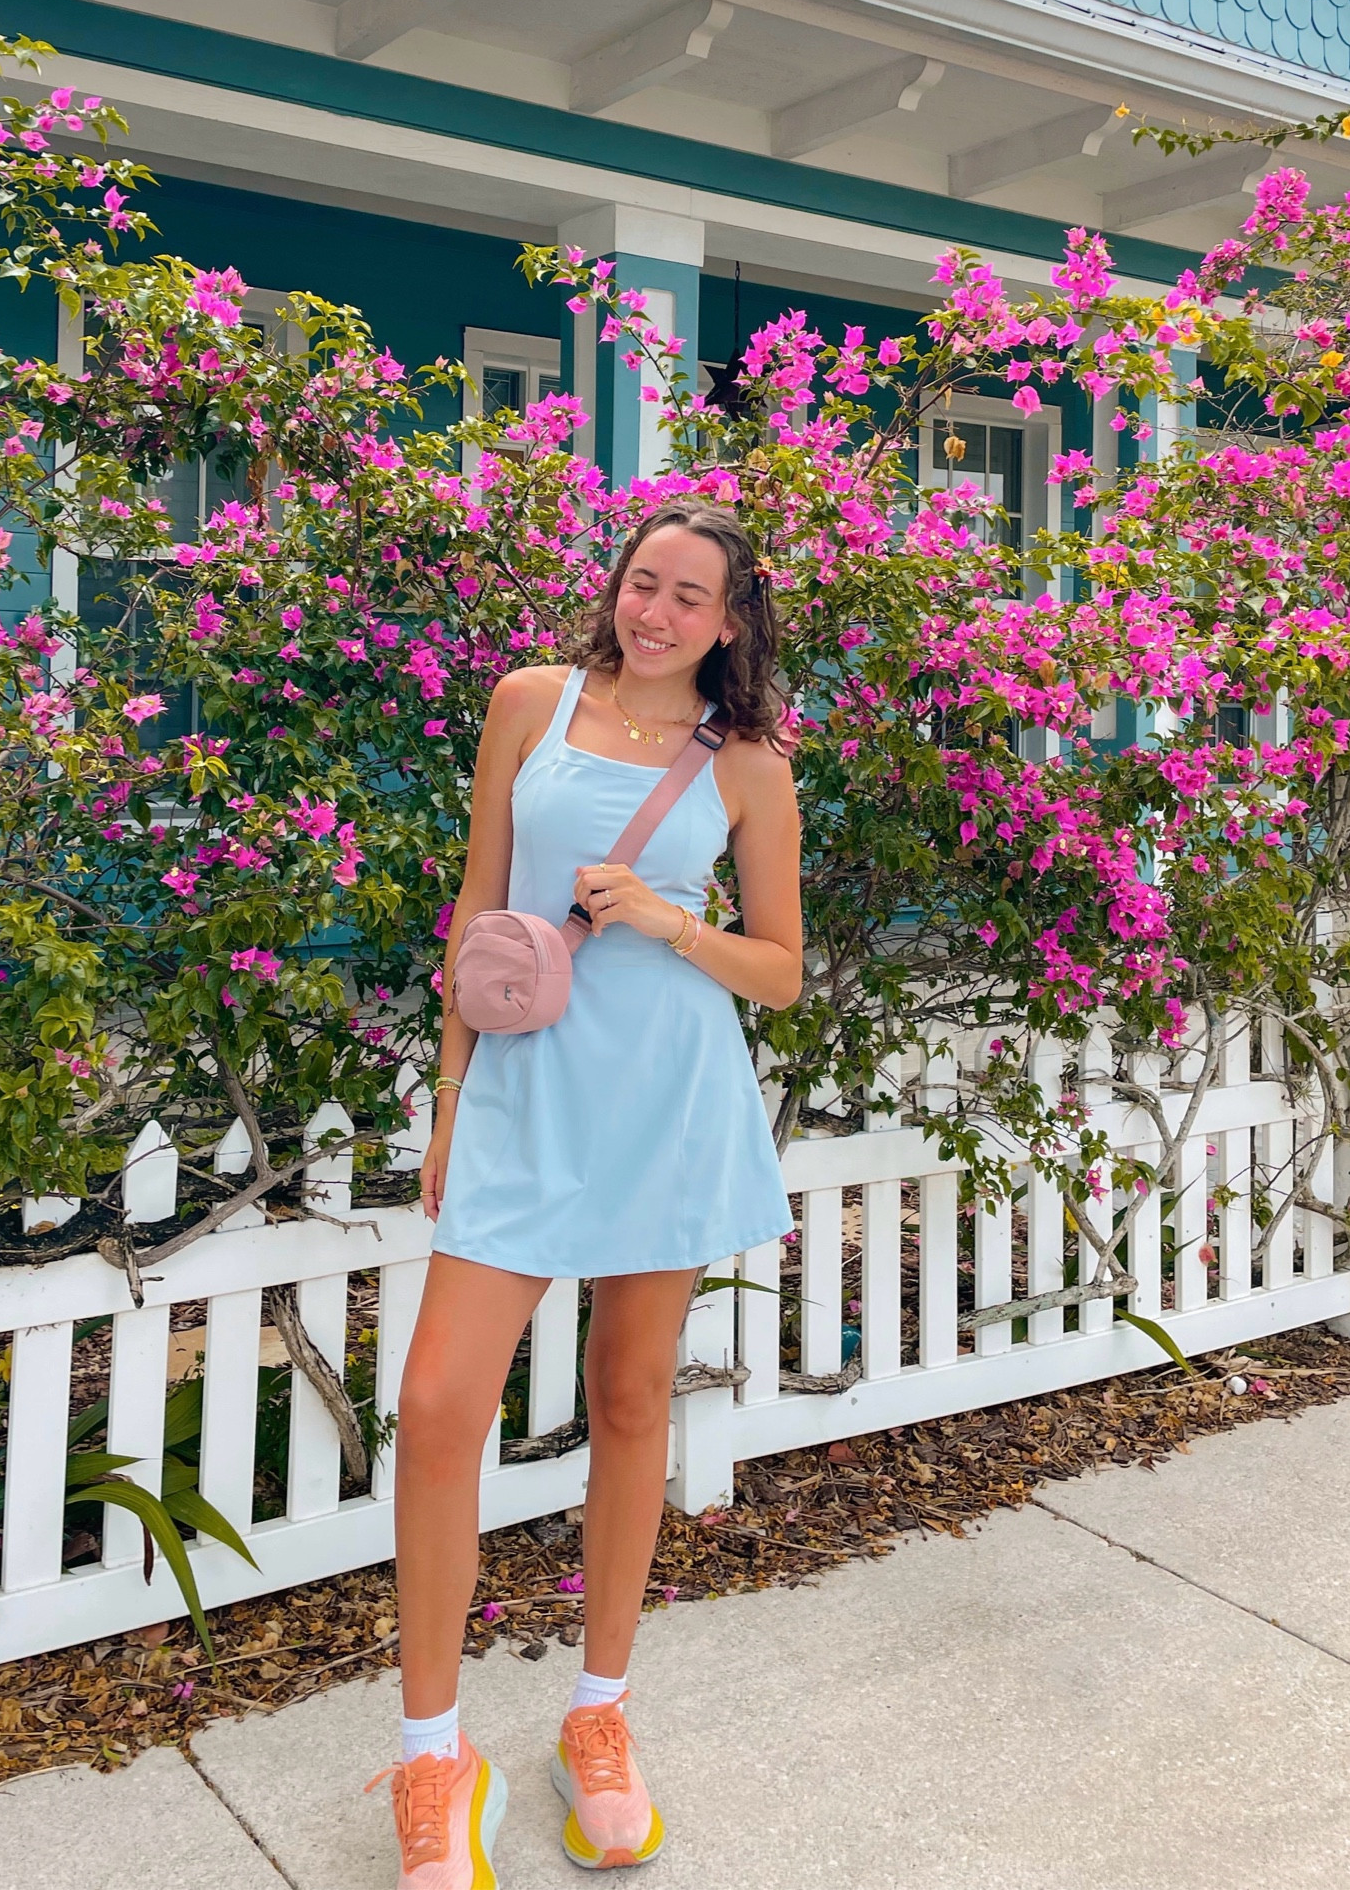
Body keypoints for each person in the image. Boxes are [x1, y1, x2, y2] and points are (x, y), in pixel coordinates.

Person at [371, 502, 803, 1883]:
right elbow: (475, 904)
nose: (655, 612)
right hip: (522, 1093)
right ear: (613, 590)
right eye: (640, 584)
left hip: (664, 1107)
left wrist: (676, 922)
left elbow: (781, 970)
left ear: (728, 623)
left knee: (628, 1401)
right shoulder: (529, 703)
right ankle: (433, 1755)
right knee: (438, 1408)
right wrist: (445, 1099)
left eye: (689, 597)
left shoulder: (747, 768)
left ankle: (598, 1718)